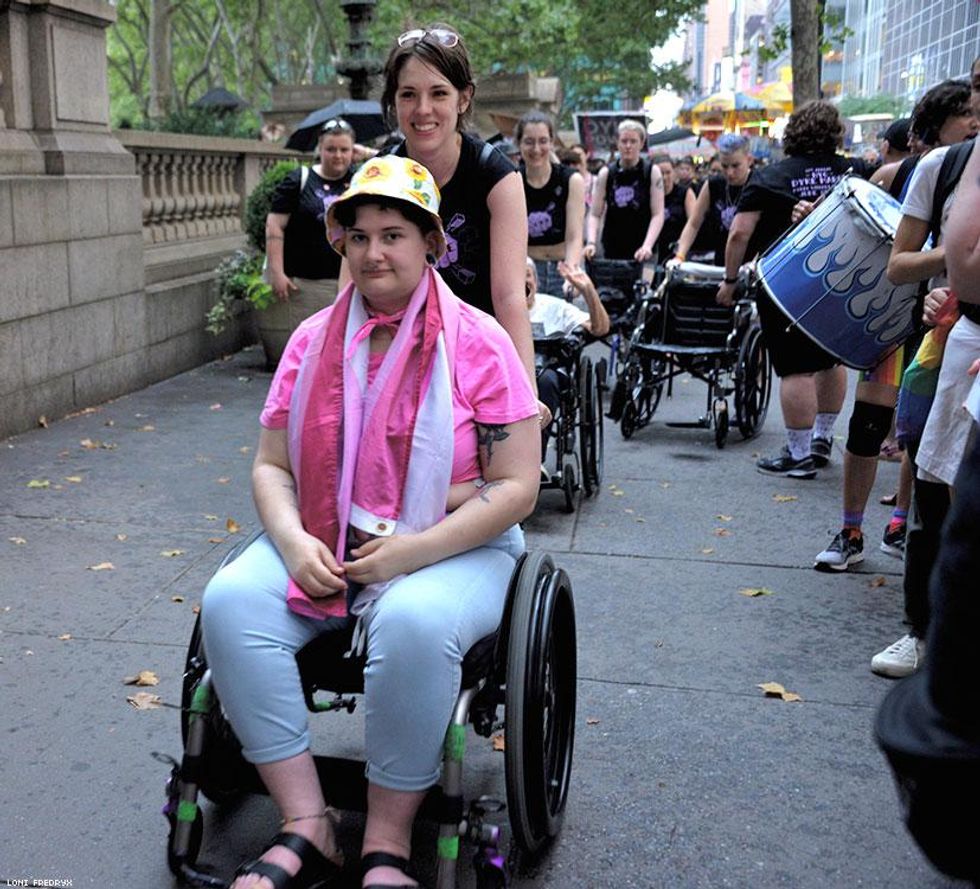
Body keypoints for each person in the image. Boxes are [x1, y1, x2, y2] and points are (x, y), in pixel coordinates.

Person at [202, 155, 540, 889]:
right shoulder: (310, 340)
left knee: (414, 623)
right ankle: (307, 822)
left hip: (457, 546)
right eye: (358, 236)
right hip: (326, 531)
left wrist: (409, 550)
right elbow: (271, 466)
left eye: (393, 234)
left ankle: (385, 842)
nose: (374, 252)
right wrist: (291, 541)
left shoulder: (480, 343)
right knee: (229, 602)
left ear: (430, 244)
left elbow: (517, 487)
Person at [814, 77, 979, 575]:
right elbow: (884, 249)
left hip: (953, 330)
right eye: (966, 110)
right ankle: (851, 530)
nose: (974, 119)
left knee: (925, 439)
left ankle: (902, 525)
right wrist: (953, 258)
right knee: (872, 424)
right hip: (897, 318)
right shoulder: (911, 170)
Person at [868, 65, 980, 676]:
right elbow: (899, 263)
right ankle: (921, 630)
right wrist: (955, 273)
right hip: (958, 339)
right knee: (936, 492)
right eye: (975, 91)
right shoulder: (945, 168)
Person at [375, 25, 536, 402]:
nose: (423, 109)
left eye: (439, 93)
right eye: (409, 94)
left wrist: (525, 400)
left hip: (476, 364)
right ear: (394, 102)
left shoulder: (497, 179)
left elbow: (509, 296)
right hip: (396, 361)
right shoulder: (378, 179)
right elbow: (350, 292)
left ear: (464, 99)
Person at [718, 100, 865, 480]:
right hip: (842, 277)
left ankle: (798, 454)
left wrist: (730, 280)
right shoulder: (855, 170)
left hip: (787, 283)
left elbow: (739, 234)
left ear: (793, 133)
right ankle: (822, 438)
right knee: (831, 359)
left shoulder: (771, 177)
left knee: (795, 369)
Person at [264, 118, 355, 346]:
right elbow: (274, 225)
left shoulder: (360, 181)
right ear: (320, 149)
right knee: (308, 352)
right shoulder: (299, 181)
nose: (338, 155)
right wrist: (277, 273)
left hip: (351, 285)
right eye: (331, 149)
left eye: (345, 149)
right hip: (306, 286)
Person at [526, 259, 609, 470]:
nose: (521, 280)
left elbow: (599, 329)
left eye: (527, 275)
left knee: (545, 381)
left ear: (535, 280)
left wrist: (588, 291)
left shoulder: (553, 307)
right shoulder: (495, 307)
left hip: (546, 373)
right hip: (507, 373)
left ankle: (534, 461)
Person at [517, 110, 586, 297]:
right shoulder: (512, 181)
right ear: (519, 144)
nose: (536, 149)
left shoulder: (571, 180)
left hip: (563, 266)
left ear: (552, 142)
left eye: (543, 141)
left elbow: (574, 236)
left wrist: (571, 273)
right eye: (529, 142)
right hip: (526, 269)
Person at [584, 119, 665, 262]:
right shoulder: (607, 173)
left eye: (633, 141)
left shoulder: (651, 172)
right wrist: (591, 242)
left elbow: (658, 214)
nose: (628, 146)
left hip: (644, 247)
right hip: (612, 246)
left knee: (643, 283)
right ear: (618, 143)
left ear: (641, 143)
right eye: (624, 141)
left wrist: (647, 246)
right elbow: (595, 213)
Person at [672, 133, 753, 267]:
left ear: (749, 160)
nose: (730, 173)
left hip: (751, 264)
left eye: (735, 165)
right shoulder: (713, 184)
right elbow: (693, 223)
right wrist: (680, 256)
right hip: (721, 261)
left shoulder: (758, 183)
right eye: (725, 166)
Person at [651, 154, 696, 262]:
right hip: (653, 252)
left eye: (668, 172)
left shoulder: (685, 193)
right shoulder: (649, 195)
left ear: (674, 172)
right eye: (661, 173)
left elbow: (694, 222)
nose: (664, 177)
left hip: (678, 251)